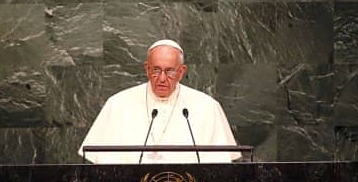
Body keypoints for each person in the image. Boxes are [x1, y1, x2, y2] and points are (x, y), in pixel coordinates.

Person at [78, 39, 240, 164]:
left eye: (169, 71)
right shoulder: (118, 104)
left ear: (181, 71)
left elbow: (220, 167)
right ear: (147, 69)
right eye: (156, 70)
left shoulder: (207, 107)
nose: (162, 78)